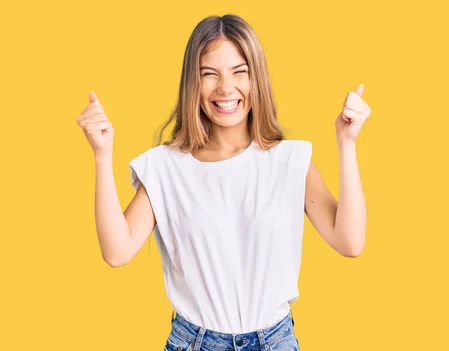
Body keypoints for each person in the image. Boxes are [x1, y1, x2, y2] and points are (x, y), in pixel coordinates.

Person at [76, 14, 370, 351]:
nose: (225, 88)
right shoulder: (165, 167)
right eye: (209, 74)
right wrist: (102, 154)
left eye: (239, 72)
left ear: (255, 78)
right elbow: (117, 252)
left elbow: (350, 242)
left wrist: (346, 145)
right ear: (193, 83)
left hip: (276, 342)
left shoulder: (290, 161)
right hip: (195, 342)